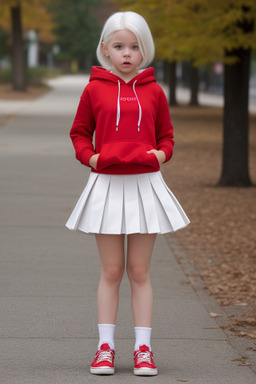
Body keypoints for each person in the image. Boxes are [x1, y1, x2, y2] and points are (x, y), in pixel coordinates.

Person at [66, 11, 190, 376]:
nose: (126, 54)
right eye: (119, 46)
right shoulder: (93, 89)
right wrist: (91, 157)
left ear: (144, 50)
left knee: (139, 270)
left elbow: (167, 136)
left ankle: (143, 350)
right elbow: (78, 132)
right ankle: (105, 349)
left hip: (144, 186)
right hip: (106, 186)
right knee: (111, 270)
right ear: (105, 48)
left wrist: (161, 154)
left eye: (134, 47)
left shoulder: (154, 91)